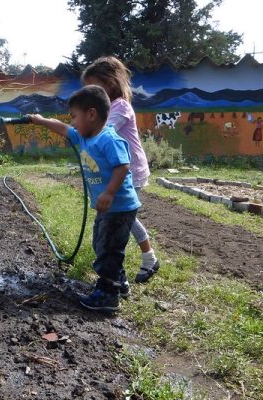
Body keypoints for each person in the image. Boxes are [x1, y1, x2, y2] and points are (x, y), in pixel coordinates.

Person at [28, 85, 140, 312]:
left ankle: (108, 296)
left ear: (91, 114)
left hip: (119, 207)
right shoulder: (82, 138)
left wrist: (109, 192)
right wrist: (40, 120)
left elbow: (123, 166)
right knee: (103, 244)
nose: (73, 122)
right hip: (107, 208)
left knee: (109, 249)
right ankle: (119, 282)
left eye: (74, 117)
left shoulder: (108, 139)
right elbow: (61, 128)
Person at [81, 56, 160, 285]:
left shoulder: (120, 107)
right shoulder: (106, 108)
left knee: (120, 218)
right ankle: (135, 266)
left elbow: (103, 132)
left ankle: (141, 263)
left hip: (130, 170)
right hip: (115, 171)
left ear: (110, 83)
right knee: (121, 218)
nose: (90, 92)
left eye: (93, 87)